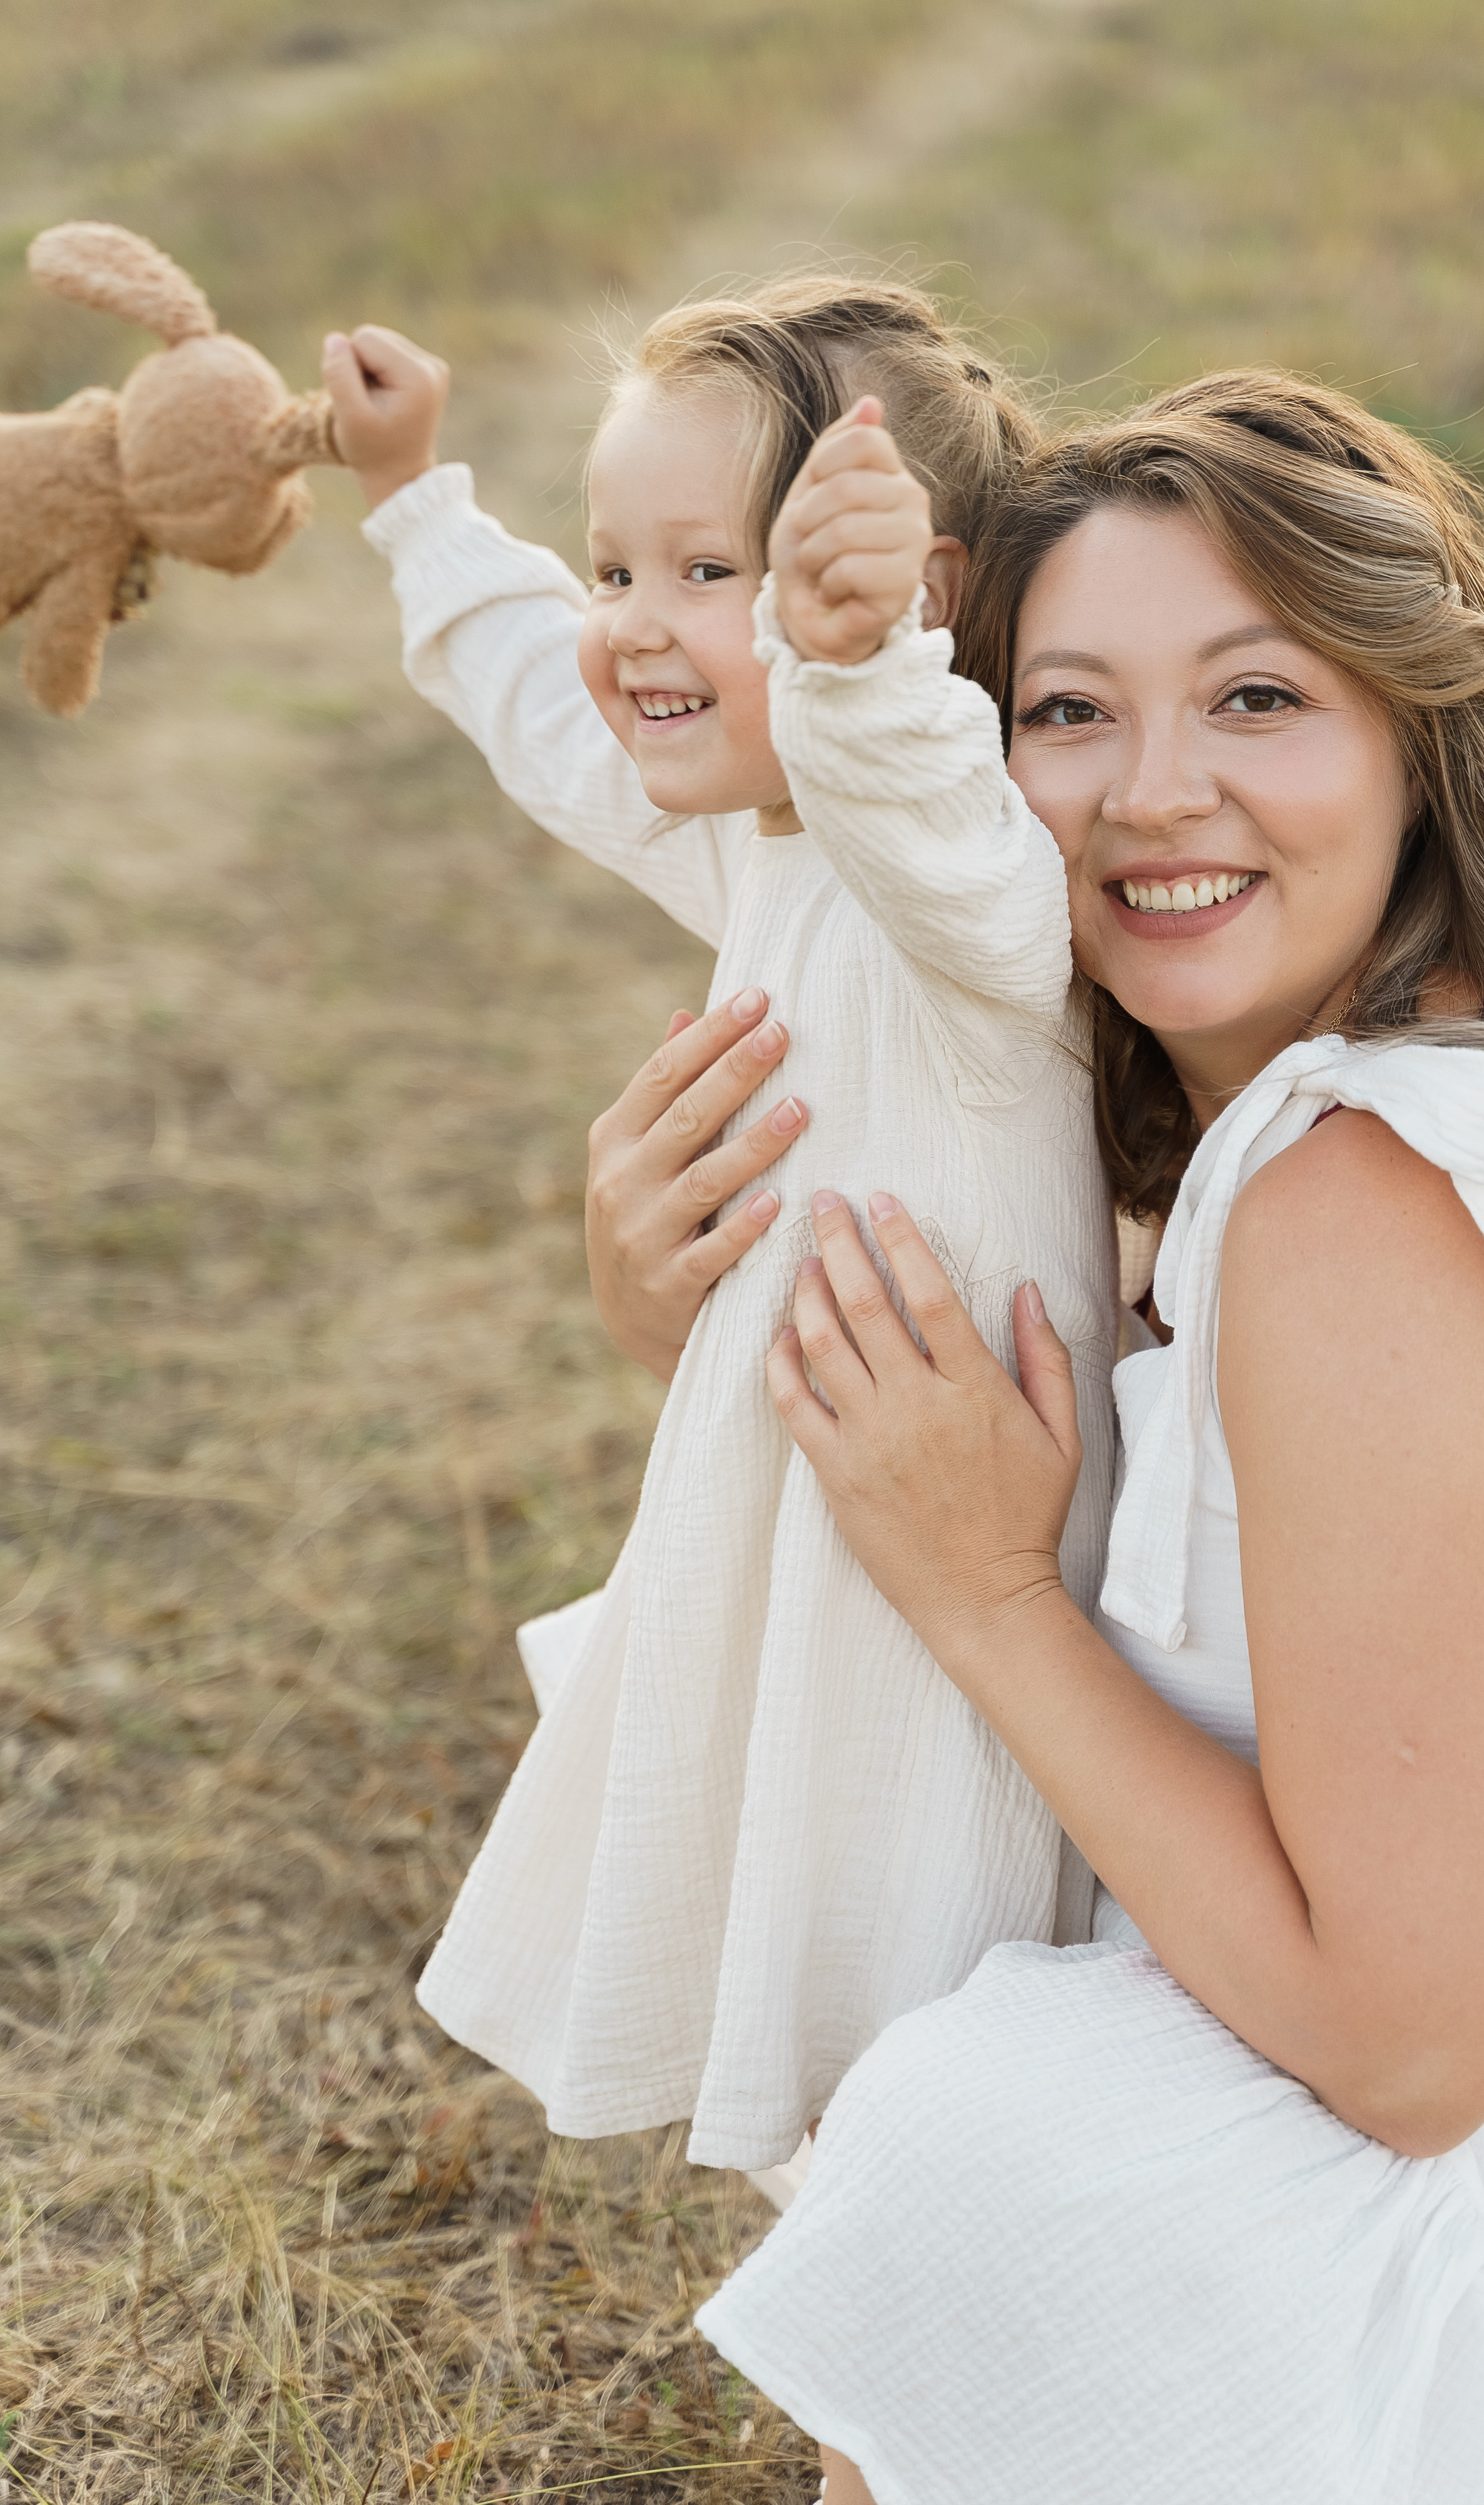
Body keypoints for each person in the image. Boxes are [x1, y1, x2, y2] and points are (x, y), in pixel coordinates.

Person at [589, 372, 1484, 2502]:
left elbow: (1415, 2052)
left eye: (1258, 701)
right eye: (1067, 714)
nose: (1158, 793)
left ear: (1414, 742)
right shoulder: (1473, 1097)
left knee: (1024, 2147)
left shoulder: (1375, 1203)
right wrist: (692, 1329)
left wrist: (981, 1588)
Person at [323, 285, 1119, 2179]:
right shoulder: (754, 833)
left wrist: (855, 668)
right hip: (812, 1550)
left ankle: (906, 2446)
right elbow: (556, 710)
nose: (631, 624)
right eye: (619, 563)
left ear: (905, 594)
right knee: (839, 2079)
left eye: (708, 568)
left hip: (954, 1604)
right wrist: (420, 500)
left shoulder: (977, 887)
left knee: (932, 2055)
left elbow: (924, 805)